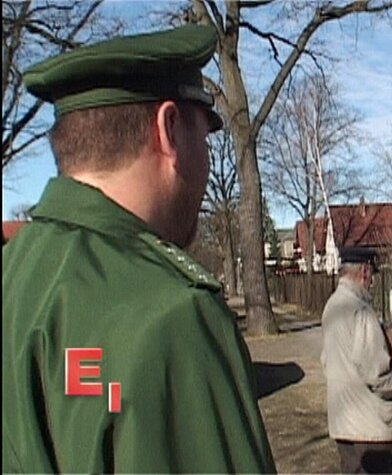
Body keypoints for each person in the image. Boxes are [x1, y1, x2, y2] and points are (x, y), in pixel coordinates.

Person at [2, 26, 275, 473]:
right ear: (170, 130)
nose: (206, 165)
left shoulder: (13, 273)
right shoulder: (172, 315)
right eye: (204, 139)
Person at [321, 247, 392, 474]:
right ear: (364, 272)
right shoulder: (361, 311)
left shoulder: (331, 307)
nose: (373, 283)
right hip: (370, 427)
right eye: (372, 276)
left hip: (343, 422)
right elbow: (376, 371)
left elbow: (326, 361)